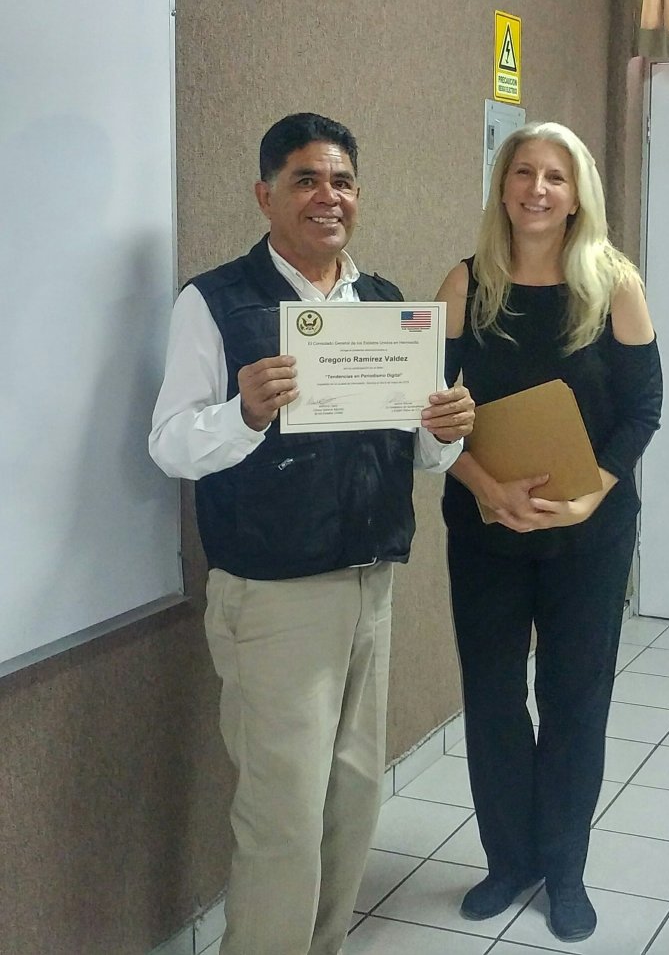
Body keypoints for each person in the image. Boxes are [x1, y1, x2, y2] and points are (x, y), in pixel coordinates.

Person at [149, 112, 474, 955]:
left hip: (370, 581)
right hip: (274, 599)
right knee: (283, 815)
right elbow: (170, 445)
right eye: (305, 180)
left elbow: (419, 452)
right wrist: (244, 413)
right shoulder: (216, 301)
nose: (328, 197)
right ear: (265, 196)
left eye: (342, 181)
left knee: (353, 799)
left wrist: (444, 429)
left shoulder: (383, 304)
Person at [436, 121, 662, 942]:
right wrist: (484, 486)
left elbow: (642, 410)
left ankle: (564, 872)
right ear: (501, 187)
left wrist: (591, 497)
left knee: (573, 701)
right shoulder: (464, 284)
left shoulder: (612, 284)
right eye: (523, 172)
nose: (537, 189)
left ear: (576, 197)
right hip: (485, 527)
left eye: (555, 177)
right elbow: (429, 414)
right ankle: (508, 862)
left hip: (586, 537)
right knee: (493, 699)